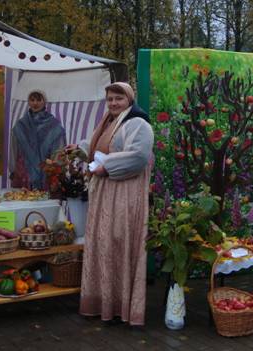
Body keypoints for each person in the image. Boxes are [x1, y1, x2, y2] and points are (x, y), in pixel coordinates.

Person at [70, 82, 153, 326]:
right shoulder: (108, 121)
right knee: (104, 243)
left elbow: (138, 156)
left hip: (124, 195)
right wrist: (80, 149)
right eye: (110, 99)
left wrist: (108, 167)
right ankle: (103, 300)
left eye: (119, 98)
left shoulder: (138, 123)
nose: (114, 103)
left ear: (129, 99)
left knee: (119, 242)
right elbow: (99, 147)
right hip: (105, 194)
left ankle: (121, 305)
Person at [9, 90, 65, 190]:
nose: (35, 103)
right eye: (32, 100)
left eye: (39, 100)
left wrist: (56, 170)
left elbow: (59, 151)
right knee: (23, 202)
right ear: (28, 102)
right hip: (24, 173)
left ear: (44, 101)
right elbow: (14, 150)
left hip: (46, 172)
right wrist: (13, 170)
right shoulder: (20, 125)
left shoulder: (54, 125)